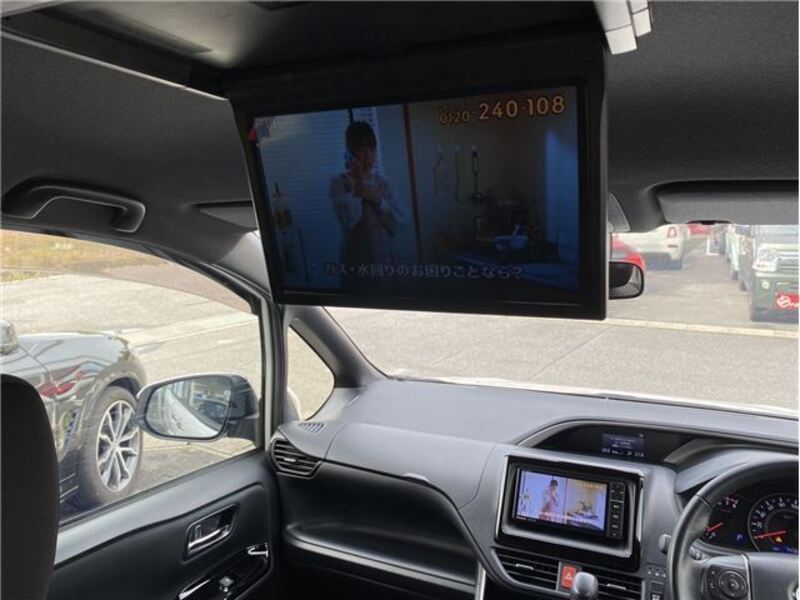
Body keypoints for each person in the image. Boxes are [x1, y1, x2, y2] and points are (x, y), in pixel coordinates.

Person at [330, 121, 408, 271]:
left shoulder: (384, 183)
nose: (368, 156)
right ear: (350, 152)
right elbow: (349, 222)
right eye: (362, 150)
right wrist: (359, 184)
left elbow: (401, 224)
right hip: (358, 264)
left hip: (387, 259)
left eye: (372, 149)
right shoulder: (339, 182)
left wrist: (378, 200)